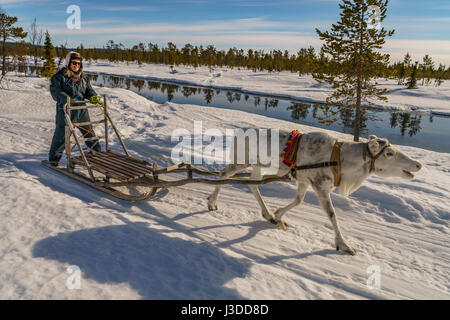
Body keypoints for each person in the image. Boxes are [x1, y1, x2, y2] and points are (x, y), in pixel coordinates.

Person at [48, 51, 102, 166]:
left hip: (81, 111)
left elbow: (89, 91)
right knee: (61, 136)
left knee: (89, 133)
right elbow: (55, 91)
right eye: (74, 63)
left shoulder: (84, 78)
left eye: (78, 63)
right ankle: (54, 160)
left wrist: (93, 97)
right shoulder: (59, 77)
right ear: (68, 63)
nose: (76, 65)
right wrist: (67, 99)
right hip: (65, 111)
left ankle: (97, 153)